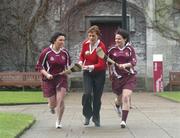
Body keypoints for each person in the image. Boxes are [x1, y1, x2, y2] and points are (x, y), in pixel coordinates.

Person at [35, 32, 71, 129]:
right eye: (60, 40)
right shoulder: (46, 52)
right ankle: (51, 107)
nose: (62, 42)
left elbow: (67, 66)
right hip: (49, 79)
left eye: (64, 40)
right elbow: (39, 66)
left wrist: (68, 71)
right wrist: (47, 74)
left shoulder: (65, 53)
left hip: (61, 79)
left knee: (60, 100)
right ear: (54, 40)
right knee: (53, 103)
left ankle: (58, 121)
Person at [108, 29, 137, 128]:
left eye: (119, 39)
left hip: (129, 77)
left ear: (125, 39)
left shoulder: (130, 49)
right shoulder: (112, 50)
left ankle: (123, 121)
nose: (117, 40)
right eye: (116, 39)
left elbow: (133, 62)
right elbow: (108, 63)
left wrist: (124, 65)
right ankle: (117, 105)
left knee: (126, 97)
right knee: (119, 100)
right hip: (117, 78)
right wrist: (110, 73)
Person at [78, 25, 107, 127]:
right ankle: (87, 115)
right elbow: (82, 55)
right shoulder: (85, 44)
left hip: (99, 74)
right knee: (87, 94)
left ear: (97, 36)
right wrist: (81, 62)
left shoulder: (101, 47)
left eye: (93, 36)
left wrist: (88, 66)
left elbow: (101, 64)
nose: (91, 38)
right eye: (89, 36)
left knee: (97, 98)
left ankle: (96, 117)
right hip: (88, 74)